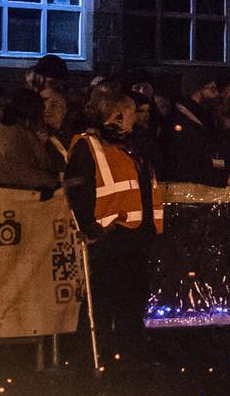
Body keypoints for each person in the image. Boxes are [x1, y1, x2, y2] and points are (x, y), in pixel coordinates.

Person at [65, 85, 163, 368]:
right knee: (103, 301)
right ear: (116, 114)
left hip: (136, 234)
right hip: (110, 235)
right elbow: (76, 188)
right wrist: (90, 226)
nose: (135, 119)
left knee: (133, 301)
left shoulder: (133, 145)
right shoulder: (89, 145)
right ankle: (92, 359)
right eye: (130, 113)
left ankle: (130, 358)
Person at [0, 88, 58, 192]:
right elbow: (21, 173)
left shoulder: (18, 133)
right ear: (29, 116)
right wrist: (52, 182)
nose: (43, 119)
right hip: (5, 199)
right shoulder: (10, 135)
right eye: (40, 113)